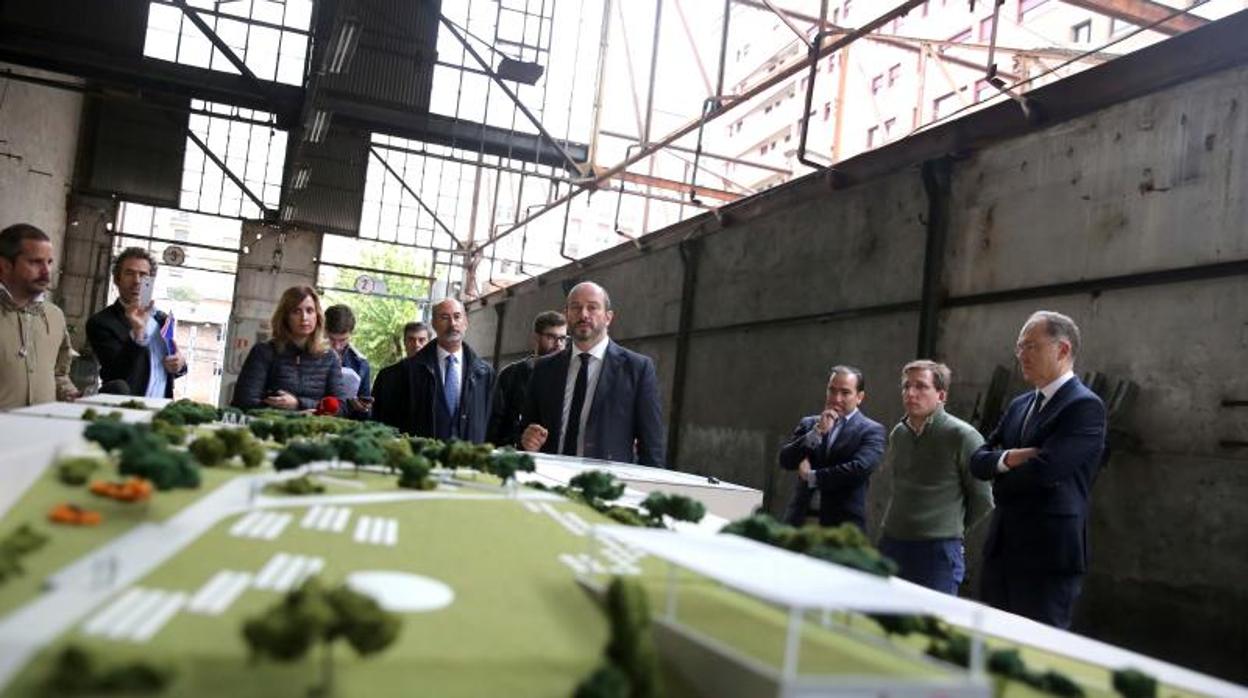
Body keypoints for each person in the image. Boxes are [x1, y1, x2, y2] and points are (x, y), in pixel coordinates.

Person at [970, 311, 1106, 629]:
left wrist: (998, 478)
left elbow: (1047, 471)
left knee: (1035, 652)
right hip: (1002, 549)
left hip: (1047, 556)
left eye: (1031, 346)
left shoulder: (1084, 407)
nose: (1021, 355)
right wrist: (1012, 458)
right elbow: (978, 459)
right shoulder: (1020, 404)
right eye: (1019, 347)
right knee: (989, 644)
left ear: (1062, 350)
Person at [877, 360, 994, 594]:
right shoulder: (898, 434)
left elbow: (983, 499)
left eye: (921, 386)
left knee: (931, 622)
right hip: (892, 543)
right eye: (906, 386)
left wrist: (947, 527)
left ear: (941, 395)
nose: (911, 393)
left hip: (937, 551)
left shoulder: (964, 436)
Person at [520, 282, 665, 466]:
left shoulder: (637, 369)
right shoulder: (544, 369)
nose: (583, 314)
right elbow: (526, 428)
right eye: (576, 307)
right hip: (550, 480)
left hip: (605, 487)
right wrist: (527, 440)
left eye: (592, 307)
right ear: (566, 314)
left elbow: (652, 447)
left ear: (608, 317)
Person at [778, 365, 886, 530]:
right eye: (832, 390)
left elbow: (858, 469)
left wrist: (812, 476)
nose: (836, 398)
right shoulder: (810, 424)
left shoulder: (871, 430)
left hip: (842, 526)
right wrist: (817, 433)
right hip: (799, 520)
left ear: (859, 397)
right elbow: (785, 460)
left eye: (845, 392)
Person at [373, 298, 494, 441]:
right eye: (444, 317)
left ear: (466, 322)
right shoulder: (401, 375)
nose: (452, 323)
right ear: (434, 324)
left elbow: (492, 425)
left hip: (467, 460)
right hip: (420, 459)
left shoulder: (485, 374)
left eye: (457, 316)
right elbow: (383, 427)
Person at [85, 247, 187, 398]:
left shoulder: (162, 319)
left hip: (161, 408)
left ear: (151, 281)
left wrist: (179, 364)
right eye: (129, 273)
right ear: (116, 279)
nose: (137, 281)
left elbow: (172, 364)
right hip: (125, 407)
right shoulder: (101, 322)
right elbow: (116, 372)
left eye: (143, 275)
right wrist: (137, 333)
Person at [231, 285, 345, 413]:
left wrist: (299, 404)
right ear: (285, 317)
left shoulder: (329, 358)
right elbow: (243, 401)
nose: (304, 318)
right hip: (269, 428)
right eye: (296, 311)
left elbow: (341, 408)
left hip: (314, 430)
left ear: (317, 315)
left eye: (310, 310)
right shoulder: (263, 352)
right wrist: (280, 409)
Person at [0, 223, 79, 408]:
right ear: (5, 265)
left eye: (49, 262)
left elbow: (59, 374)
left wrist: (73, 395)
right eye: (35, 262)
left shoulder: (54, 316)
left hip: (41, 430)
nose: (46, 272)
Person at [487, 310, 567, 446]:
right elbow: (495, 425)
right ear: (536, 338)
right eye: (551, 337)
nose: (558, 344)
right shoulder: (511, 375)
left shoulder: (568, 377)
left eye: (563, 338)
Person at [325, 304, 372, 418]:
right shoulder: (308, 354)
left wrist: (362, 408)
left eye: (343, 340)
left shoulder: (361, 364)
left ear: (352, 334)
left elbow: (364, 413)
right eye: (331, 339)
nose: (336, 346)